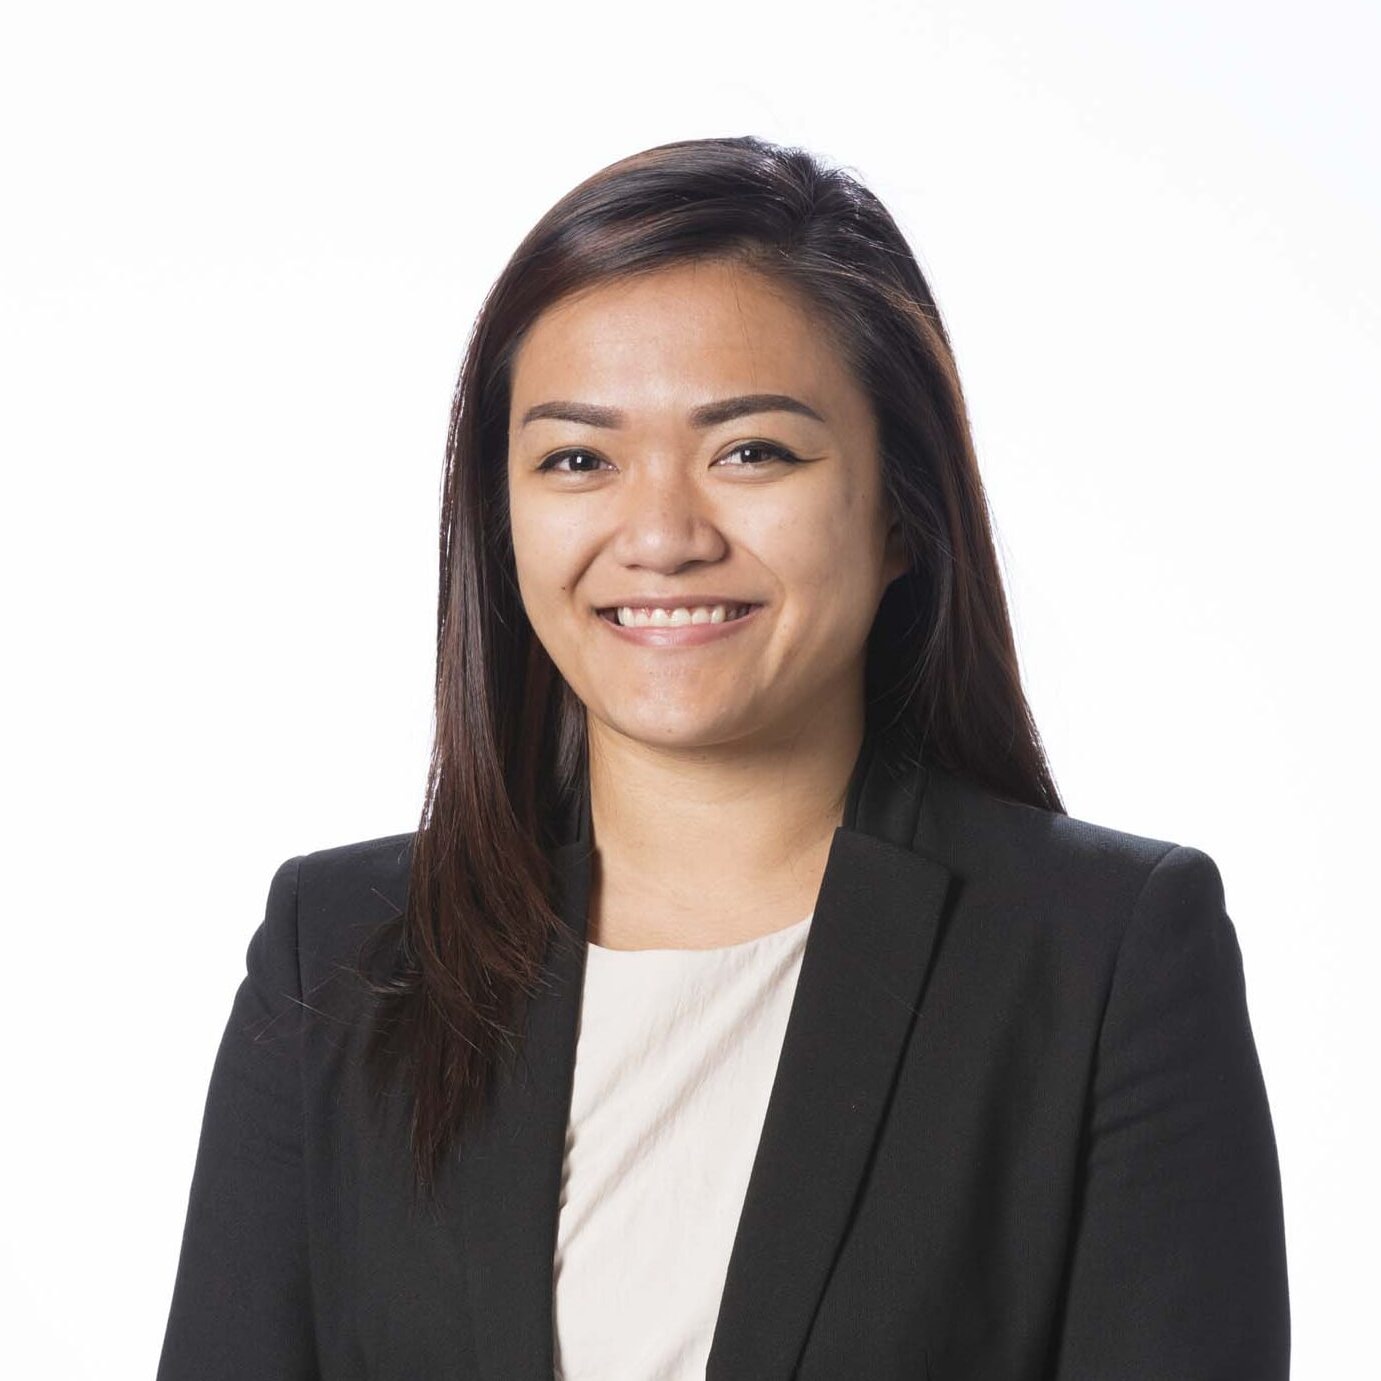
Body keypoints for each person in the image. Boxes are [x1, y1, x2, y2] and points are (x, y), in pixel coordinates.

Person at [156, 135, 1290, 1380]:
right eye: (578, 459)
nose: (660, 535)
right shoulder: (342, 950)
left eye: (752, 451)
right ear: (501, 517)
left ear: (899, 510)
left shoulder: (1103, 954)